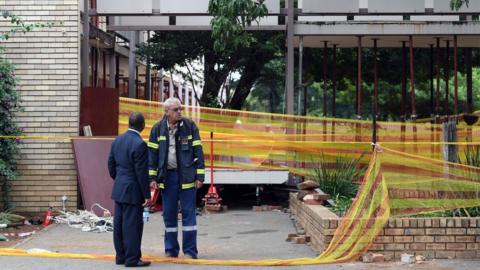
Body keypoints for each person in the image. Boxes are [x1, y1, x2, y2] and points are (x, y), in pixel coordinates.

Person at [148, 97, 205, 259]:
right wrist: (152, 179)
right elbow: (152, 156)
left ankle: (190, 251)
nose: (179, 112)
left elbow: (198, 152)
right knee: (169, 215)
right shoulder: (157, 129)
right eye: (176, 110)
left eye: (180, 109)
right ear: (167, 112)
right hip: (167, 178)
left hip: (187, 178)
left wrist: (200, 175)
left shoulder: (189, 126)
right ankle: (171, 250)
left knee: (189, 215)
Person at [108, 112, 151, 267]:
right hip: (133, 191)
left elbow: (111, 166)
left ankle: (121, 257)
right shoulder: (139, 144)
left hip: (119, 188)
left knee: (119, 225)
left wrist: (120, 180)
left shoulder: (117, 140)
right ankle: (132, 259)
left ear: (128, 123)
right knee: (132, 226)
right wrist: (147, 195)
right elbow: (141, 173)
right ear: (142, 125)